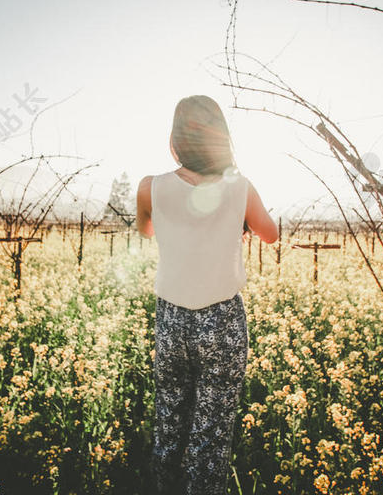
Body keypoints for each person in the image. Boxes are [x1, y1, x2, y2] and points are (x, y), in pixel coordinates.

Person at [136, 95, 277, 494]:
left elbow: (146, 230)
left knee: (170, 418)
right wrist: (240, 220)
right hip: (224, 321)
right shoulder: (241, 187)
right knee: (210, 433)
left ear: (175, 137)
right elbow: (270, 233)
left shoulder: (151, 187)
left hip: (171, 319)